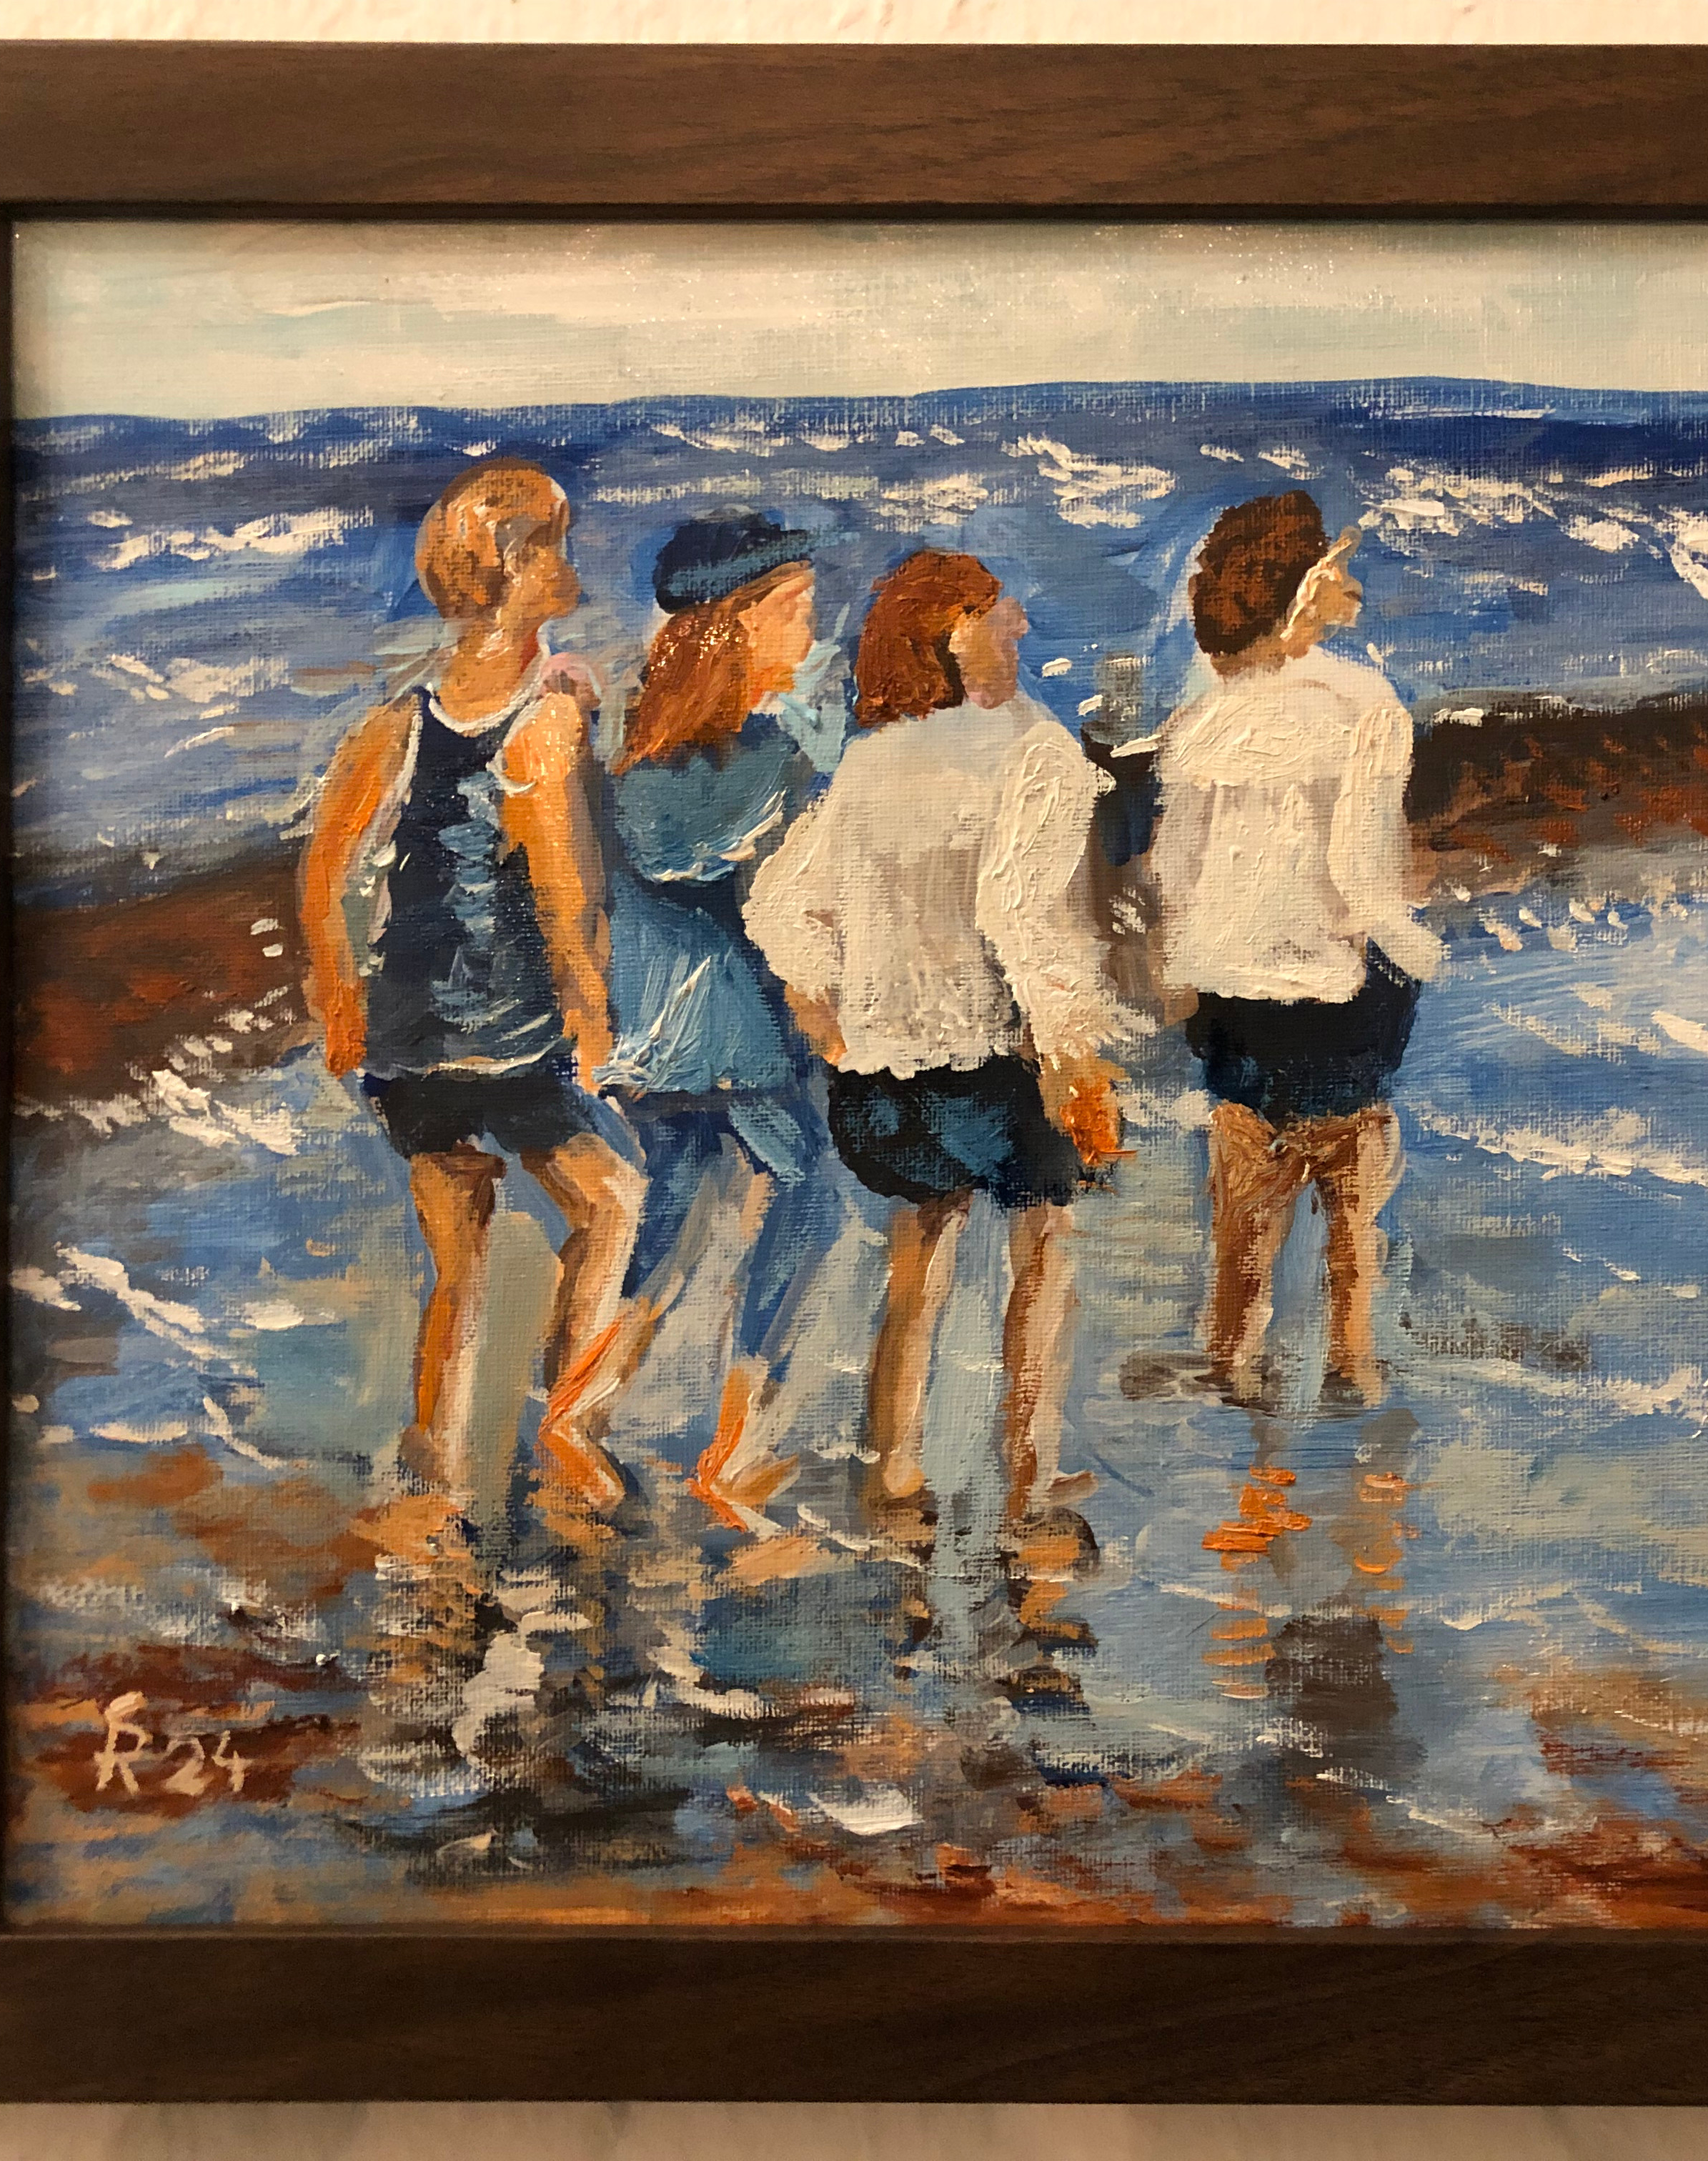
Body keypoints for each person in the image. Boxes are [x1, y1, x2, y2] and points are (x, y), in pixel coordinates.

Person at [745, 550, 1127, 1531]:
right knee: (1042, 1258)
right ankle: (1030, 1485)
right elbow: (1024, 919)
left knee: (917, 1263)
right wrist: (1075, 1061)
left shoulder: (873, 757)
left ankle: (895, 1475)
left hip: (883, 1074)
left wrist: (832, 1023)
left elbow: (782, 904)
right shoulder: (1034, 752)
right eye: (997, 612)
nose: (1020, 625)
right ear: (952, 631)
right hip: (997, 1058)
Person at [299, 460, 644, 1529]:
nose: (571, 565)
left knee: (460, 1261)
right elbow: (565, 892)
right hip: (511, 1030)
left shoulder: (396, 723)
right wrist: (593, 1014)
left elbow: (325, 869)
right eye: (554, 548)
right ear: (511, 570)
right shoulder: (546, 723)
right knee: (610, 1205)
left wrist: (339, 999)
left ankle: (435, 1469)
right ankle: (569, 1428)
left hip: (409, 1036)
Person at [562, 509, 840, 1534]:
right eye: (794, 610)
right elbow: (749, 885)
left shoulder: (641, 747)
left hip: (653, 1044)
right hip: (737, 1040)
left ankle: (582, 1409)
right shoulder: (759, 755)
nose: (811, 631)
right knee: (803, 1200)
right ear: (737, 625)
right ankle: (733, 1447)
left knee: (674, 1216)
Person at [1149, 492, 1444, 1409]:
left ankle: (1232, 1354)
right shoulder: (1364, 703)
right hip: (1333, 979)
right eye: (1335, 567)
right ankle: (1352, 1363)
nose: (1351, 584)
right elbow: (1361, 869)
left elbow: (1175, 869)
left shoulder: (1202, 719)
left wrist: (1180, 971)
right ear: (1302, 588)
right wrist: (1416, 948)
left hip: (1227, 985)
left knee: (1247, 1173)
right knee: (1353, 1180)